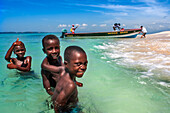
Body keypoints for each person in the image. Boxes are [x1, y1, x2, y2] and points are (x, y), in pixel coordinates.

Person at [52, 46, 88, 113]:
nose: (83, 67)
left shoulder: (64, 72)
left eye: (85, 63)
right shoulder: (70, 85)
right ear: (66, 64)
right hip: (69, 110)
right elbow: (57, 105)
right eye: (78, 64)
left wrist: (76, 82)